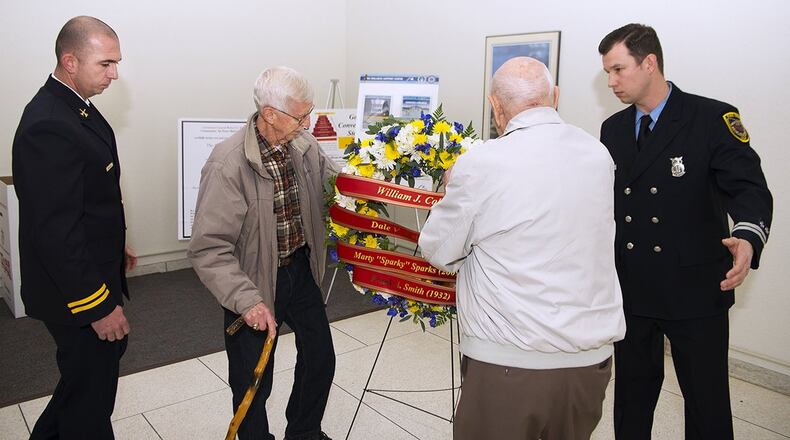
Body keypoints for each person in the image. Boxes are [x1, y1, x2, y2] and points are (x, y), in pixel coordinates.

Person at [419, 56, 626, 440]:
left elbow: (439, 250)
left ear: (495, 105)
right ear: (556, 97)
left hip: (510, 362)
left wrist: (450, 188)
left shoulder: (482, 162)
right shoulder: (599, 156)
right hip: (589, 363)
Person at [598, 23, 773, 440]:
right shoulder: (614, 130)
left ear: (650, 63)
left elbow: (749, 188)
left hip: (695, 287)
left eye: (619, 70)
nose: (611, 82)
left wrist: (747, 238)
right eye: (607, 72)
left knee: (706, 401)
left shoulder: (711, 118)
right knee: (632, 400)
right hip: (635, 285)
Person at [188, 66, 338, 440]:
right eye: (301, 115)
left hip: (298, 270)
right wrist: (246, 301)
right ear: (270, 113)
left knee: (320, 357)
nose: (308, 122)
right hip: (251, 282)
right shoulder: (228, 163)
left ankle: (304, 432)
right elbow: (210, 248)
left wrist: (379, 183)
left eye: (310, 112)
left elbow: (336, 185)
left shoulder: (303, 145)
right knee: (254, 379)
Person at [11, 16, 136, 439]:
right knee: (91, 403)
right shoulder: (49, 123)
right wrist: (98, 308)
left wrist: (118, 245)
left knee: (81, 386)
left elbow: (89, 198)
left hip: (90, 271)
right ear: (70, 61)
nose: (114, 74)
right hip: (75, 293)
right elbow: (55, 233)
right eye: (105, 64)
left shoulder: (74, 107)